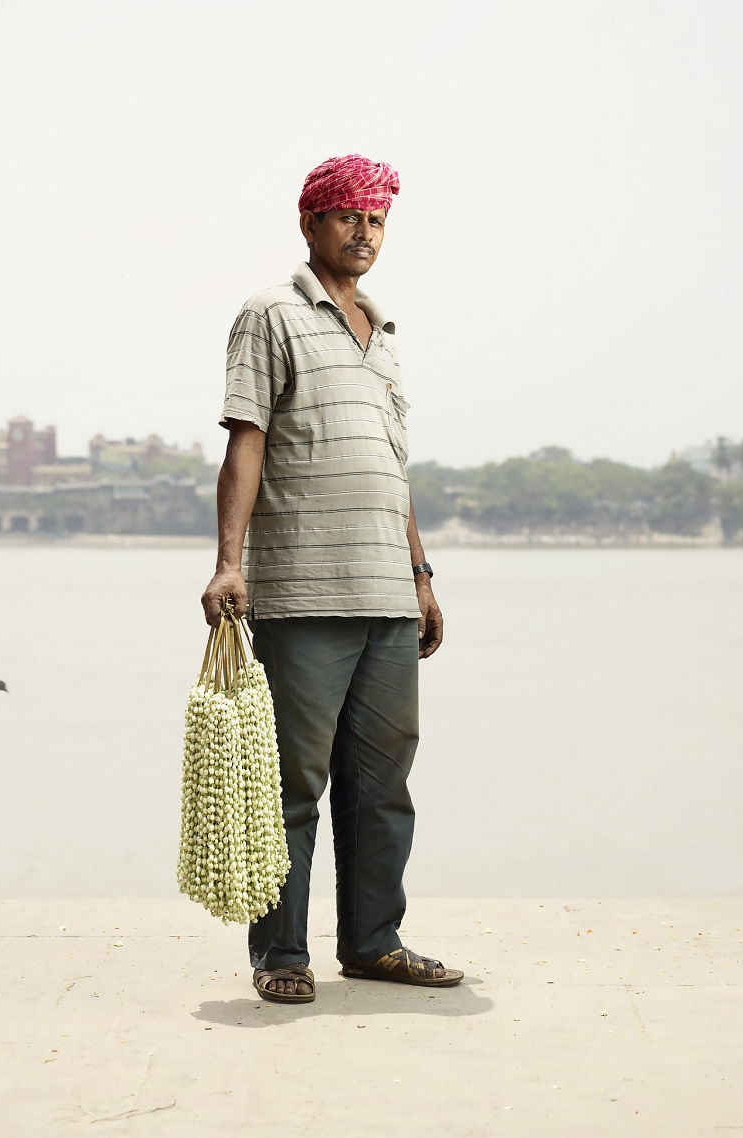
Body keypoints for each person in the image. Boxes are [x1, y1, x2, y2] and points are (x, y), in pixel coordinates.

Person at [201, 154, 463, 1004]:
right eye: (347, 215)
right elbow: (246, 439)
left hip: (389, 595)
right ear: (310, 223)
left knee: (384, 784)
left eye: (377, 219)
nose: (364, 231)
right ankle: (282, 954)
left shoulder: (383, 335)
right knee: (292, 785)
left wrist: (421, 576)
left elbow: (394, 468)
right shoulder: (271, 314)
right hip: (305, 592)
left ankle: (374, 941)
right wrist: (229, 563)